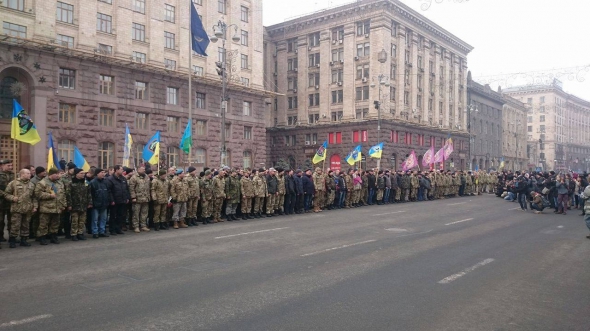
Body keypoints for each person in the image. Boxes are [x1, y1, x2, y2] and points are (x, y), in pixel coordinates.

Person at [35, 168, 69, 245]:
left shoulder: (59, 183)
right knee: (44, 224)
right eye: (56, 174)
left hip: (57, 207)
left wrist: (64, 204)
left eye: (58, 174)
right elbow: (37, 194)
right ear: (51, 174)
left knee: (55, 223)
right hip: (46, 207)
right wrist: (49, 195)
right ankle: (42, 237)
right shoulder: (42, 183)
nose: (58, 176)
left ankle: (53, 236)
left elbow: (63, 195)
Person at [4, 168, 37, 248]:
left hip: (28, 208)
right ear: (22, 174)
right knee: (15, 225)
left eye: (30, 173)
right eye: (28, 173)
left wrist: (35, 206)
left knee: (25, 225)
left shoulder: (32, 184)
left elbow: (34, 197)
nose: (30, 175)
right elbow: (6, 194)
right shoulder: (14, 183)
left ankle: (24, 240)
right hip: (17, 208)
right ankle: (12, 240)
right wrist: (12, 198)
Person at [107, 165, 130, 235]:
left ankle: (118, 228)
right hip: (114, 200)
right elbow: (109, 191)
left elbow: (126, 189)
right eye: (121, 169)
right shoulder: (110, 179)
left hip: (122, 200)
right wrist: (112, 200)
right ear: (116, 170)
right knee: (113, 216)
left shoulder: (123, 179)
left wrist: (127, 198)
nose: (122, 171)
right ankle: (112, 229)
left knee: (120, 215)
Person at [69, 168, 91, 241]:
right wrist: (69, 204)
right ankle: (73, 234)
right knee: (75, 221)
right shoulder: (71, 182)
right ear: (76, 174)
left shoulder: (85, 182)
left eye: (83, 173)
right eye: (81, 173)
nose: (83, 175)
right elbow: (68, 194)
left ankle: (80, 233)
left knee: (82, 220)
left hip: (83, 204)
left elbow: (89, 193)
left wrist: (89, 202)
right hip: (75, 204)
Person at [89, 168, 111, 238]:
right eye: (101, 172)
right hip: (96, 203)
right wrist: (91, 203)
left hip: (104, 203)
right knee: (95, 219)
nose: (103, 174)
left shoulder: (105, 182)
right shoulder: (93, 182)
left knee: (103, 218)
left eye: (104, 172)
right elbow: (90, 194)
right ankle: (95, 232)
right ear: (97, 173)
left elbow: (108, 192)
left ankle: (102, 231)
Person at [0, 159, 15, 243]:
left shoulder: (14, 175)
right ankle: (0, 236)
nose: (10, 167)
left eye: (11, 165)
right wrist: (6, 195)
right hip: (1, 201)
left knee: (12, 220)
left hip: (11, 201)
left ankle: (12, 236)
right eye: (8, 165)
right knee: (1, 220)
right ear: (2, 166)